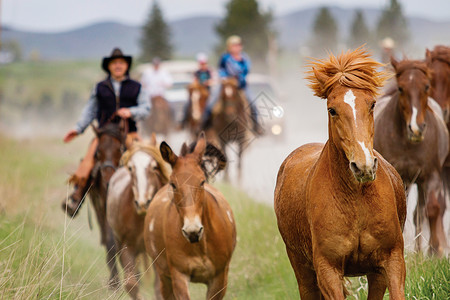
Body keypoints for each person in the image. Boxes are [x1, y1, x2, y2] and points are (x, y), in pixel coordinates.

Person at [62, 48, 150, 217]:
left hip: (129, 134)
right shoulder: (100, 87)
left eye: (121, 63)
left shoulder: (136, 87)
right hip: (104, 135)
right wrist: (78, 128)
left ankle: (154, 196)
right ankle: (76, 198)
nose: (118, 66)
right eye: (114, 63)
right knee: (87, 162)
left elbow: (146, 108)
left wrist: (131, 112)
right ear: (109, 66)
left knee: (147, 161)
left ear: (126, 66)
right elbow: (90, 110)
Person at [201, 35, 263, 134]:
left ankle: (256, 125)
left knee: (253, 102)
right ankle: (205, 124)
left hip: (240, 85)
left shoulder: (244, 58)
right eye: (234, 45)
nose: (236, 47)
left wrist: (239, 80)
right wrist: (225, 78)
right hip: (226, 85)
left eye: (238, 45)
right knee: (212, 101)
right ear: (229, 47)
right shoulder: (225, 58)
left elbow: (246, 71)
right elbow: (221, 69)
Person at [180, 53, 213, 128]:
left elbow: (212, 81)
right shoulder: (197, 72)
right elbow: (194, 82)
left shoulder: (209, 72)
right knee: (187, 104)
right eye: (201, 63)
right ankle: (183, 121)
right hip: (199, 91)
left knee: (213, 105)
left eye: (204, 63)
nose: (203, 65)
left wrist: (207, 83)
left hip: (207, 93)